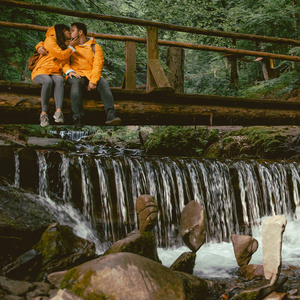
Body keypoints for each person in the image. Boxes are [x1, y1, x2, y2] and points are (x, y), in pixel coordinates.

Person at [38, 22, 121, 129]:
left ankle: (111, 114)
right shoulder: (69, 45)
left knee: (103, 83)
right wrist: (68, 71)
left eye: (72, 30)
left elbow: (98, 65)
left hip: (91, 74)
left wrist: (93, 81)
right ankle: (77, 118)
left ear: (80, 32)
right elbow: (61, 59)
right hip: (75, 74)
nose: (69, 32)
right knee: (75, 83)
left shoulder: (95, 47)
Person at [33, 24, 79, 127]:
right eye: (69, 31)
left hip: (56, 72)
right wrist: (71, 47)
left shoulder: (66, 45)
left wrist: (69, 71)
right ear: (63, 31)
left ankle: (58, 112)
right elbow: (61, 55)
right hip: (41, 71)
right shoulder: (50, 40)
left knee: (59, 80)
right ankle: (43, 114)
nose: (70, 33)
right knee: (47, 81)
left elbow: (64, 62)